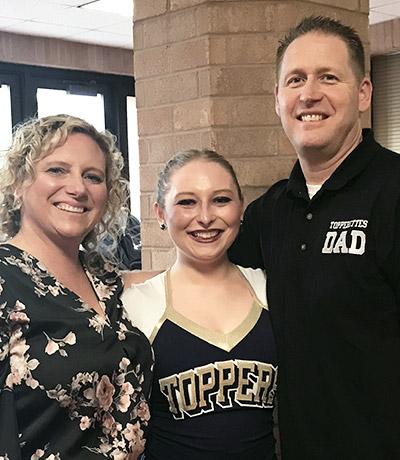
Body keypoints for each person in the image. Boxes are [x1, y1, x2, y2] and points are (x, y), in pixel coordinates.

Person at [229, 15, 400, 460]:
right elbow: (206, 276)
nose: (309, 94)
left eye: (328, 77)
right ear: (278, 99)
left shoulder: (394, 191)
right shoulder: (268, 213)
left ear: (363, 93)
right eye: (296, 80)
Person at [0, 114, 153, 459]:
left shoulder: (106, 278)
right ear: (17, 183)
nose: (78, 188)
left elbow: (177, 279)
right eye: (57, 170)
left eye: (92, 176)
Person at [122, 149, 278, 460]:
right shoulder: (135, 305)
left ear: (241, 207)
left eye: (221, 199)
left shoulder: (270, 290)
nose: (205, 217)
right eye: (186, 202)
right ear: (160, 213)